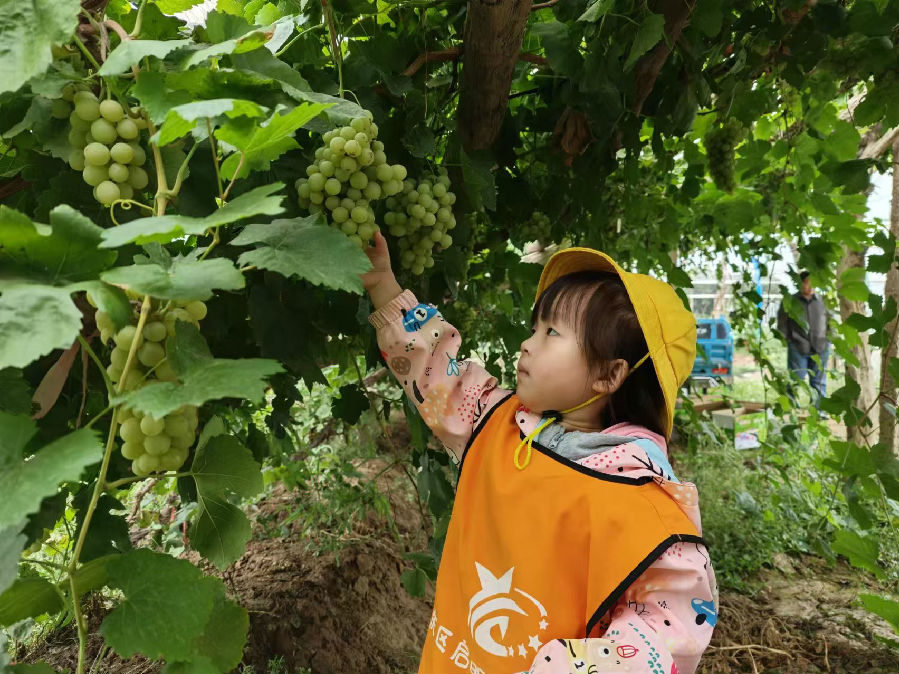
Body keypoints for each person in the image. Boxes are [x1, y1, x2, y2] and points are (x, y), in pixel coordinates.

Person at [361, 232, 717, 674]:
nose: (528, 343)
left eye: (552, 332)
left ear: (609, 375)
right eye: (535, 329)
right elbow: (437, 373)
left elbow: (669, 632)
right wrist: (383, 285)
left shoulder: (643, 506)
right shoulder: (495, 424)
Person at [776, 270, 830, 406]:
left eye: (813, 283)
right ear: (800, 284)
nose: (810, 287)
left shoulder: (823, 300)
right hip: (797, 345)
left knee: (819, 381)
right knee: (795, 379)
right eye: (806, 283)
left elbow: (831, 322)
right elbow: (782, 324)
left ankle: (819, 410)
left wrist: (829, 340)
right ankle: (790, 408)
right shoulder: (790, 301)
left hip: (820, 346)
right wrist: (789, 340)